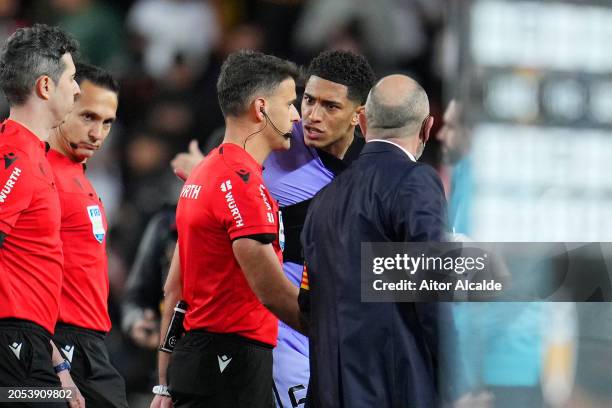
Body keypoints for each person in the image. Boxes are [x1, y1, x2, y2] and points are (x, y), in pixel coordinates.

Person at [170, 49, 377, 408]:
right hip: (277, 329)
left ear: (358, 117)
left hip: (341, 331)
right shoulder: (276, 138)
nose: (309, 115)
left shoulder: (374, 172)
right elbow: (225, 170)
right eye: (307, 100)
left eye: (330, 107)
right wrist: (201, 169)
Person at [150, 50, 303, 408]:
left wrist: (163, 383)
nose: (297, 116)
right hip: (232, 363)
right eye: (290, 103)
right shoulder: (242, 183)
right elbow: (271, 291)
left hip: (198, 357)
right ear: (261, 108)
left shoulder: (204, 173)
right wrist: (332, 332)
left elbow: (174, 289)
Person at [301, 74, 448, 407]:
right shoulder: (417, 181)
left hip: (327, 393)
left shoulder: (322, 200)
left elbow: (308, 302)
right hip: (395, 393)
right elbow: (434, 295)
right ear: (427, 128)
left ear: (363, 121)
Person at [0, 24, 85, 407]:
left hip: (31, 344)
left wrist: (59, 368)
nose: (79, 89)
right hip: (11, 345)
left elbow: (25, 277)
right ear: (46, 86)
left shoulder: (33, 156)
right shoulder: (14, 158)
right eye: (72, 78)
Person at [47, 61, 128, 407]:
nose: (98, 134)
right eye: (88, 117)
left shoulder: (77, 176)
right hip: (58, 346)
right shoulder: (39, 175)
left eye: (107, 122)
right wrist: (56, 364)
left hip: (89, 348)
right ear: (62, 104)